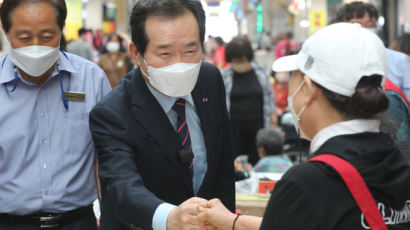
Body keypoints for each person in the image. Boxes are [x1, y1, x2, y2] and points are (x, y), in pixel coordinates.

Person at [197, 23, 410, 230]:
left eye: (294, 79)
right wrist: (233, 222)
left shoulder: (306, 184)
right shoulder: (400, 161)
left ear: (307, 90)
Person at [89, 0, 235, 230]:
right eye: (165, 53)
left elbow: (223, 165)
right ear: (137, 54)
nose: (178, 64)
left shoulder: (209, 80)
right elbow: (121, 187)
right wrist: (169, 218)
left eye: (190, 50)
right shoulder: (112, 112)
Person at [0, 0, 111, 229]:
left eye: (47, 36)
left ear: (62, 31)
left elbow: (106, 157)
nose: (36, 46)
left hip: (78, 221)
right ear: (6, 32)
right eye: (24, 38)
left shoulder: (91, 80)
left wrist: (110, 216)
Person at [335, 1, 410, 102]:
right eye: (356, 24)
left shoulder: (399, 60)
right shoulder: (335, 59)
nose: (363, 29)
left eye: (369, 25)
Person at [221, 36, 277, 166]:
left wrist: (273, 118)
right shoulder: (224, 76)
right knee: (234, 164)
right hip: (233, 130)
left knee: (258, 162)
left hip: (258, 128)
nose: (239, 62)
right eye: (236, 59)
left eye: (242, 58)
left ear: (248, 56)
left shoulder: (261, 73)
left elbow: (269, 96)